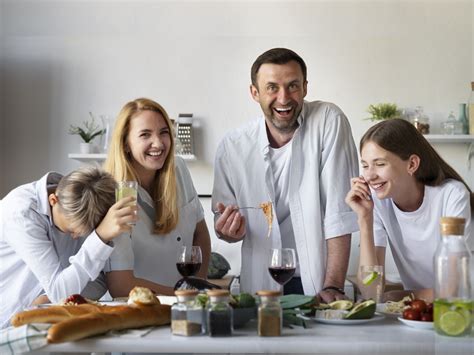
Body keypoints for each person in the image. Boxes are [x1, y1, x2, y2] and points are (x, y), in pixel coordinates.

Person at [212, 48, 359, 301]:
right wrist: (228, 230)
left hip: (318, 284)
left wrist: (333, 285)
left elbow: (339, 212)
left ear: (305, 87)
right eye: (272, 88)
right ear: (254, 93)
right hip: (260, 285)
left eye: (293, 86)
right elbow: (222, 224)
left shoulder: (328, 121)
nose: (283, 98)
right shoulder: (232, 146)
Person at [345, 118, 473, 302]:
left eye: (380, 164)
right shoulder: (379, 203)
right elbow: (370, 291)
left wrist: (405, 296)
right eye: (365, 165)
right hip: (418, 314)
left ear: (412, 164)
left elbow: (452, 289)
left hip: (462, 310)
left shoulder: (452, 195)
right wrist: (364, 219)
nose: (369, 175)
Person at [0, 166, 136, 328]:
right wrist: (99, 238)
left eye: (83, 232)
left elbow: (99, 280)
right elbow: (60, 293)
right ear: (53, 201)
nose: (75, 236)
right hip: (8, 321)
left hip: (45, 319)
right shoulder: (22, 215)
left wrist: (51, 297)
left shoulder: (85, 201)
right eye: (71, 229)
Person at [103, 98, 211, 297]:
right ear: (126, 143)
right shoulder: (112, 195)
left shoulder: (178, 169)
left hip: (184, 303)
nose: (159, 143)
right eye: (145, 135)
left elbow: (200, 234)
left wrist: (198, 286)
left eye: (164, 132)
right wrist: (183, 296)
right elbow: (121, 285)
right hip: (139, 310)